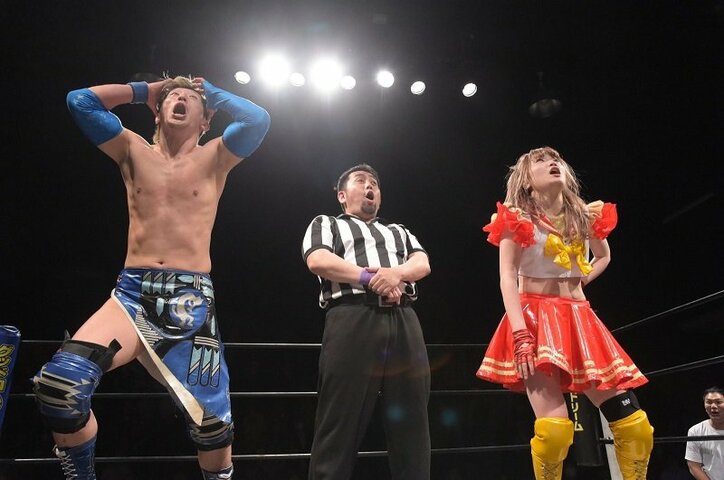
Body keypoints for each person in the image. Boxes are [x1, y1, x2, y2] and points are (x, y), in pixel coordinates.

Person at [32, 75, 270, 480]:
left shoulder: (216, 157)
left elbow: (257, 119)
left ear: (205, 120)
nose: (181, 99)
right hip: (132, 294)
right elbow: (79, 101)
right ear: (158, 112)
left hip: (189, 300)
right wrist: (145, 90)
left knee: (212, 430)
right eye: (173, 96)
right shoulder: (131, 149)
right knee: (61, 387)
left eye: (190, 99)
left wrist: (210, 92)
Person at [475, 147, 654, 480]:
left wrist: (579, 280)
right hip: (535, 318)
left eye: (556, 159)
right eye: (541, 160)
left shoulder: (585, 215)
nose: (552, 163)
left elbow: (604, 256)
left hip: (579, 317)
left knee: (635, 427)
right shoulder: (516, 217)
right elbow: (507, 277)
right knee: (555, 432)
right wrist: (520, 333)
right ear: (525, 180)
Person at [301, 164, 432, 480]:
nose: (370, 186)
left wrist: (395, 274)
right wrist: (368, 278)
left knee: (413, 421)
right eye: (361, 181)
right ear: (342, 195)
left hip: (404, 319)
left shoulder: (398, 231)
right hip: (352, 317)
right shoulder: (327, 223)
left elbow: (422, 263)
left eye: (374, 183)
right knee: (340, 419)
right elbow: (317, 259)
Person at [685, 386, 724, 480]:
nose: (713, 406)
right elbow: (693, 466)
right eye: (709, 402)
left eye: (718, 402)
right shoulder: (695, 431)